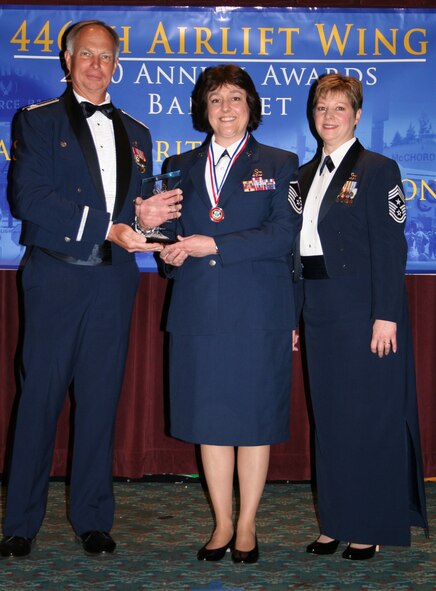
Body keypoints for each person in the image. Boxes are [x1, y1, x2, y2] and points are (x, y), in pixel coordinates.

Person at [0, 20, 182, 559]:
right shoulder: (36, 121)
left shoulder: (138, 132)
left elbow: (135, 212)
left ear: (117, 63)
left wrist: (146, 217)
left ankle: (93, 517)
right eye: (87, 55)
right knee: (39, 400)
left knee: (101, 401)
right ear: (67, 58)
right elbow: (29, 199)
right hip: (56, 275)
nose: (96, 65)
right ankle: (20, 523)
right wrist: (109, 225)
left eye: (106, 56)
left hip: (112, 281)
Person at [159, 65, 302, 564]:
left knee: (254, 421)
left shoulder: (283, 163)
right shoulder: (177, 165)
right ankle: (221, 523)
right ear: (203, 109)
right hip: (198, 309)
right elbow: (172, 235)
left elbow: (285, 234)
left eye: (236, 99)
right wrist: (169, 252)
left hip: (260, 308)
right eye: (215, 99)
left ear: (251, 107)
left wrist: (212, 245)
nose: (225, 108)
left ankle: (248, 525)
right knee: (212, 421)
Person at [296, 73, 428, 560]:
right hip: (319, 311)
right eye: (321, 108)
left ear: (356, 115)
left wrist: (386, 315)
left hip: (366, 313)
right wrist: (295, 316)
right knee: (330, 420)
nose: (328, 117)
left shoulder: (379, 168)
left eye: (338, 109)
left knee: (368, 419)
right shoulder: (305, 177)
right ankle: (335, 520)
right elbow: (298, 254)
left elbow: (392, 247)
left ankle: (367, 524)